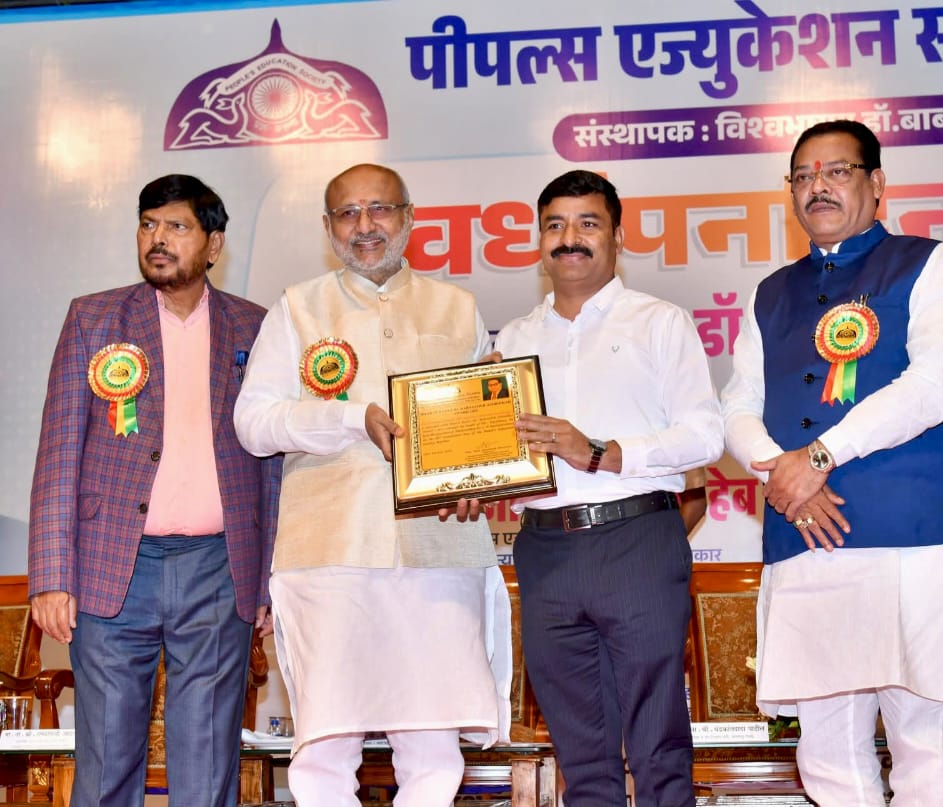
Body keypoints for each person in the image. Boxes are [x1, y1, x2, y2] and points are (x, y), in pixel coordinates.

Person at [721, 120, 943, 806]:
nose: (818, 187)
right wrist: (783, 473)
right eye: (803, 176)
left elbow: (937, 383)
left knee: (922, 751)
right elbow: (738, 407)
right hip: (802, 540)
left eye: (837, 171)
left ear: (876, 184)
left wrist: (820, 455)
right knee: (827, 756)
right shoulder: (769, 292)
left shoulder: (926, 262)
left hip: (908, 540)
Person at [233, 163, 510, 806]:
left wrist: (483, 473)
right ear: (327, 227)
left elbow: (483, 426)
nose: (365, 225)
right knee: (324, 744)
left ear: (409, 218)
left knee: (434, 746)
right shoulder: (296, 307)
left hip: (440, 548)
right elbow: (253, 423)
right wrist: (349, 419)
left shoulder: (458, 307)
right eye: (347, 213)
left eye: (380, 209)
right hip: (329, 550)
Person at [27, 174, 280, 807]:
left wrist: (269, 580)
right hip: (113, 565)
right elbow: (58, 452)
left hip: (220, 569)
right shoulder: (94, 318)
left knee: (209, 761)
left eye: (176, 227)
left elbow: (272, 468)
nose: (157, 239)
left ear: (213, 244)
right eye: (148, 225)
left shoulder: (256, 327)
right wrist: (50, 576)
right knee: (107, 761)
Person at [494, 169, 723, 806]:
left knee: (657, 743)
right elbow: (500, 456)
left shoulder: (659, 322)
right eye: (555, 225)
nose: (570, 238)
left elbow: (705, 435)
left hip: (636, 539)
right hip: (545, 550)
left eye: (588, 223)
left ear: (618, 238)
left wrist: (600, 452)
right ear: (540, 240)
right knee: (580, 752)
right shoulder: (513, 340)